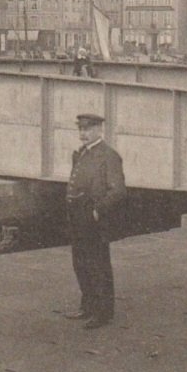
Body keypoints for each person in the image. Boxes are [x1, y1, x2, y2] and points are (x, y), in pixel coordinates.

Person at [64, 113, 126, 330]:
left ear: (99, 129)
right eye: (81, 129)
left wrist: (98, 210)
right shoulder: (82, 153)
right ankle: (88, 305)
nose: (83, 133)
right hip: (77, 214)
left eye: (88, 129)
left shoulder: (108, 156)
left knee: (98, 265)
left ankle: (103, 312)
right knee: (80, 262)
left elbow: (117, 190)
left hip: (93, 216)